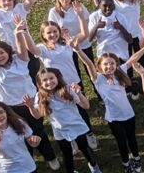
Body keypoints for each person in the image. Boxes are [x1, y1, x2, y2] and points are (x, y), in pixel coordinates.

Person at [0, 15, 59, 170]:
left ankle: (50, 156)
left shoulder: (20, 61)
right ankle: (28, 157)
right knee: (19, 133)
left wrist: (18, 31)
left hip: (31, 103)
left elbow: (21, 46)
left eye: (1, 52)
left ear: (8, 52)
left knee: (38, 130)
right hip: (10, 109)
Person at [76, 41, 144, 173]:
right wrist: (78, 50)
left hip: (128, 114)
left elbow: (132, 59)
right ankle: (126, 163)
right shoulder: (98, 79)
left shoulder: (120, 72)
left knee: (132, 139)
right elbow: (88, 64)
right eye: (105, 64)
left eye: (112, 63)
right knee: (121, 142)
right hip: (114, 118)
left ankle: (136, 158)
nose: (109, 66)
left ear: (116, 64)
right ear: (100, 66)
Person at [24, 68, 103, 173]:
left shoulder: (68, 89)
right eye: (45, 80)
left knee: (84, 148)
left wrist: (79, 93)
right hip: (60, 130)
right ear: (39, 84)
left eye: (51, 78)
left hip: (77, 126)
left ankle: (94, 166)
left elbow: (86, 106)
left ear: (58, 78)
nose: (49, 82)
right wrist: (31, 106)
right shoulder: (40, 96)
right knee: (67, 154)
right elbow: (38, 116)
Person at [26, 21, 99, 150]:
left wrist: (80, 16)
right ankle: (70, 139)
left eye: (55, 31)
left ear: (59, 32)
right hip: (55, 86)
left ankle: (88, 134)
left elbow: (84, 34)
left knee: (81, 110)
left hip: (73, 83)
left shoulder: (67, 43)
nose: (52, 34)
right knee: (61, 113)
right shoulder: (42, 49)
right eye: (49, 32)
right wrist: (24, 31)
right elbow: (31, 48)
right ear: (43, 35)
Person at [47, 0, 96, 93]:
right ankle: (80, 94)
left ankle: (99, 93)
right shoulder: (54, 12)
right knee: (74, 71)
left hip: (83, 42)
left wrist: (78, 37)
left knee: (90, 67)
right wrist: (60, 32)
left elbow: (87, 23)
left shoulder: (78, 6)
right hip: (67, 46)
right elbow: (52, 30)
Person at [88, 0, 133, 65]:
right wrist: (96, 26)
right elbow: (89, 39)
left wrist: (120, 27)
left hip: (120, 57)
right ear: (99, 5)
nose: (108, 8)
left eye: (110, 5)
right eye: (104, 6)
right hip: (103, 57)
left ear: (113, 5)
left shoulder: (121, 17)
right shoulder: (94, 17)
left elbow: (130, 40)